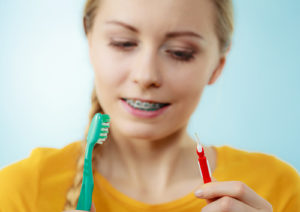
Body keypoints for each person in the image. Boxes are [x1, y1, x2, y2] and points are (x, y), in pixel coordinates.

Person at [0, 0, 299, 211]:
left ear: (218, 66)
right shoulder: (20, 191)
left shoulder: (278, 189)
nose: (146, 76)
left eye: (180, 53)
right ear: (90, 42)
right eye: (123, 43)